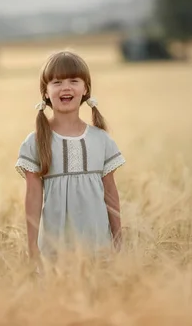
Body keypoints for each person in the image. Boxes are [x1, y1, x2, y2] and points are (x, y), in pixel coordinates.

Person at [15, 51, 125, 262]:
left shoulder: (101, 139)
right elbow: (33, 198)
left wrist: (118, 238)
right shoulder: (35, 142)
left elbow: (110, 192)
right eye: (57, 82)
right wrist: (32, 248)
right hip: (55, 249)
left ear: (85, 89)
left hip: (97, 246)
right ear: (45, 93)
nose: (66, 87)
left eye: (74, 80)